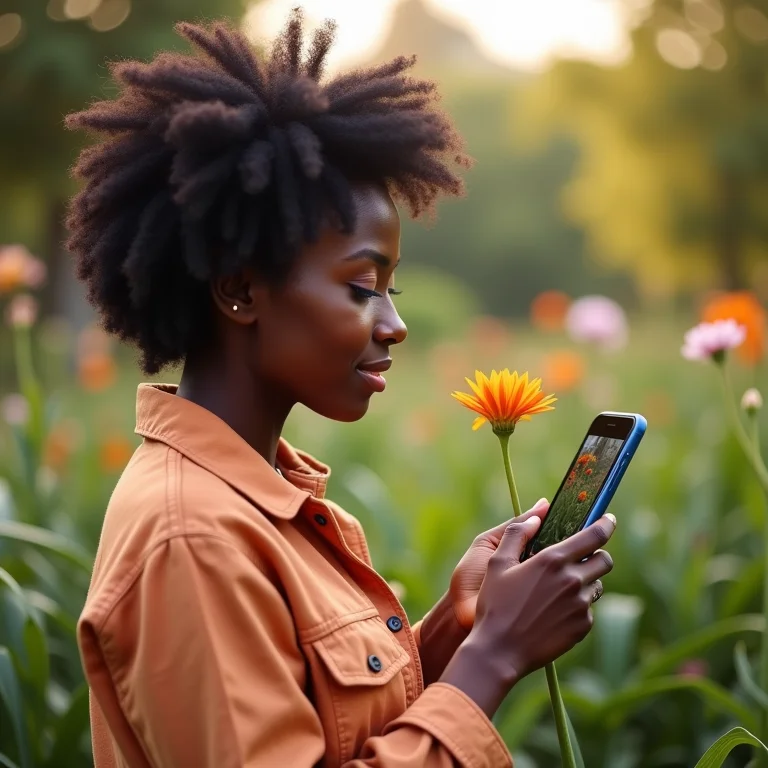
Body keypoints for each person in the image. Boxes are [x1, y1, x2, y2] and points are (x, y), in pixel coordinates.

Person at [67, 10, 615, 767]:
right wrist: (495, 657)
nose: (394, 325)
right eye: (363, 286)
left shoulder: (262, 496)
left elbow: (335, 734)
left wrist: (460, 627)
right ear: (240, 292)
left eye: (392, 287)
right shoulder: (192, 539)